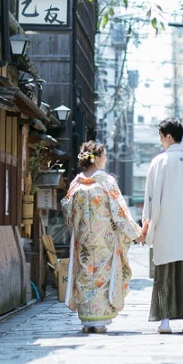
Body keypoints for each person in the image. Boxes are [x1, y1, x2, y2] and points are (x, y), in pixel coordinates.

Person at [61, 141, 144, 333]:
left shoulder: (76, 184)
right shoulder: (106, 182)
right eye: (104, 156)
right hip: (104, 239)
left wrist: (79, 227)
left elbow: (67, 209)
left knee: (85, 275)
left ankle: (87, 321)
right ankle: (99, 322)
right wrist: (136, 234)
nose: (106, 159)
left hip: (83, 241)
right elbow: (120, 212)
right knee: (102, 277)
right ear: (96, 159)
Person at [141, 118, 183, 335]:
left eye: (161, 137)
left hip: (164, 224)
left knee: (164, 272)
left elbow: (151, 198)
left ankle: (165, 321)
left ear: (168, 136)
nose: (160, 141)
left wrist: (147, 223)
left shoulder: (159, 162)